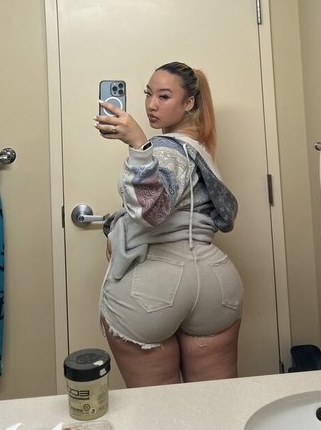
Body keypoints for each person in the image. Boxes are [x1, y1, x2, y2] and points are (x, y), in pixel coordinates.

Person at [93, 61, 243, 388]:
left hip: (153, 288)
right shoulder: (199, 149)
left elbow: (152, 211)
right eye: (148, 94)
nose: (151, 105)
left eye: (163, 96)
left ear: (188, 103)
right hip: (215, 282)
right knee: (219, 401)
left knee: (159, 408)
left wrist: (138, 145)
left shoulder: (165, 149)